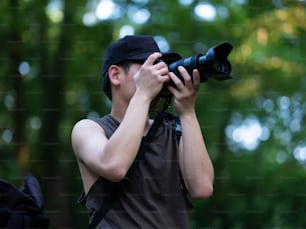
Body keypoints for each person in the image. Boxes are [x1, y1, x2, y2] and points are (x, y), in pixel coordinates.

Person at [71, 35, 214, 228]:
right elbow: (114, 166)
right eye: (150, 67)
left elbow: (202, 188)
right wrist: (144, 93)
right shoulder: (89, 129)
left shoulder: (174, 131)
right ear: (115, 75)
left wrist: (187, 113)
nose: (159, 75)